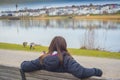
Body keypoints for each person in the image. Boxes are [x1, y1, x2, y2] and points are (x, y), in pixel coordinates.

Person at [21, 36, 103, 79]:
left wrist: (42, 57)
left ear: (51, 46)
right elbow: (81, 72)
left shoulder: (43, 59)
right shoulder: (67, 60)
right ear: (64, 46)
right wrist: (97, 71)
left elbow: (24, 66)